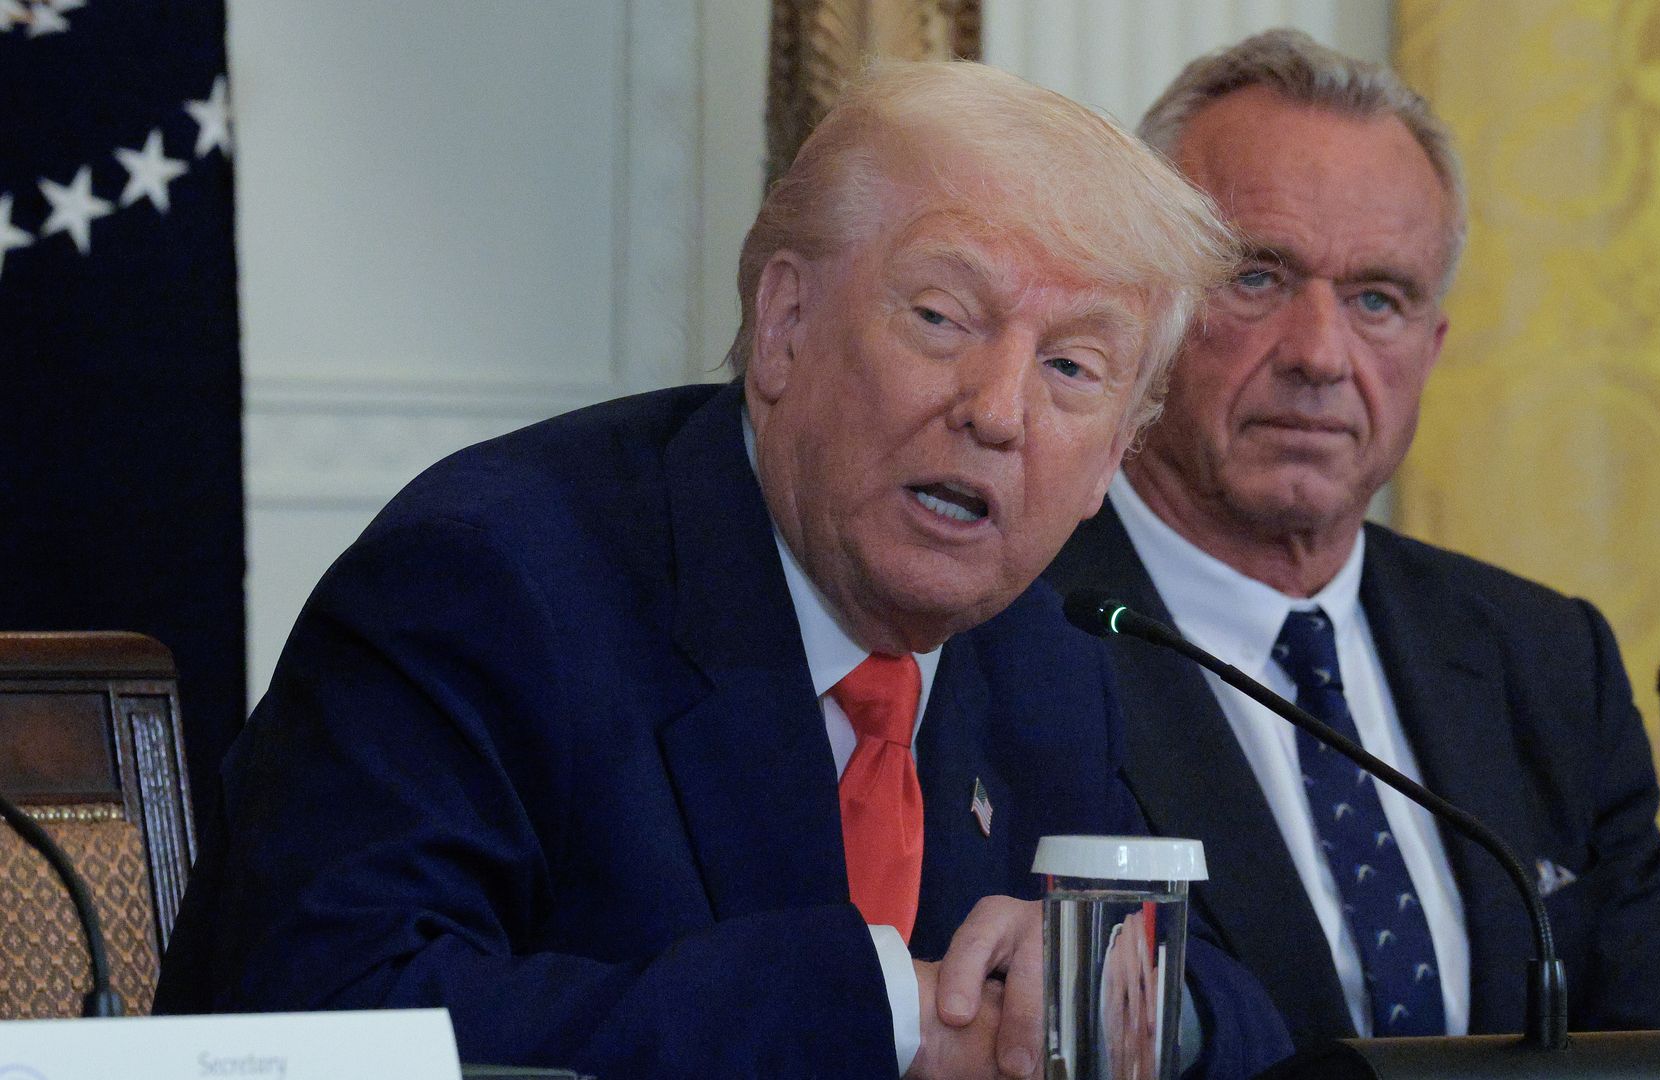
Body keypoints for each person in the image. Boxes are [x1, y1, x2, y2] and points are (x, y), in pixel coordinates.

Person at [153, 61, 1292, 1079]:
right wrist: (889, 1008)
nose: (997, 411)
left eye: (1073, 367)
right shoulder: (495, 580)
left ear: (1115, 460)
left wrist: (1137, 1011)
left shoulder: (1049, 660)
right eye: (942, 317)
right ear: (785, 323)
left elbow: (1244, 1009)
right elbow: (327, 1016)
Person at [1045, 29, 1660, 1052]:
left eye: (1378, 299)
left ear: (1430, 346)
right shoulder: (1014, 633)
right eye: (1257, 277)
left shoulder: (1544, 660)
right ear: (1143, 307)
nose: (1321, 355)